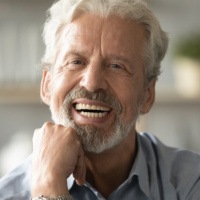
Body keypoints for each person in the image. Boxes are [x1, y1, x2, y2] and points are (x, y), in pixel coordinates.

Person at [0, 0, 200, 199]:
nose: (92, 83)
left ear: (147, 94)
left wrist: (49, 190)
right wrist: (48, 180)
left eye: (116, 66)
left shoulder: (191, 182)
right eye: (76, 62)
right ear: (47, 85)